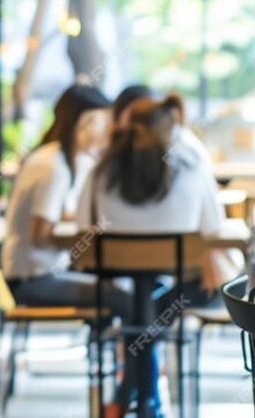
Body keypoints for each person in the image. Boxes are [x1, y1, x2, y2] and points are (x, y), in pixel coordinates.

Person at [78, 94, 232, 418]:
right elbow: (213, 228)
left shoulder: (103, 169)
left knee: (140, 313)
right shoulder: (191, 163)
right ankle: (148, 405)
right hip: (181, 281)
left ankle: (131, 400)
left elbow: (82, 224)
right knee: (152, 310)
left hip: (116, 274)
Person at [0, 85, 130, 316]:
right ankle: (131, 352)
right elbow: (40, 235)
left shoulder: (54, 157)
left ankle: (116, 349)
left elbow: (52, 218)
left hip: (32, 275)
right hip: (34, 281)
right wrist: (87, 241)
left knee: (119, 288)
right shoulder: (53, 167)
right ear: (84, 123)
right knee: (122, 296)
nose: (108, 132)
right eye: (104, 123)